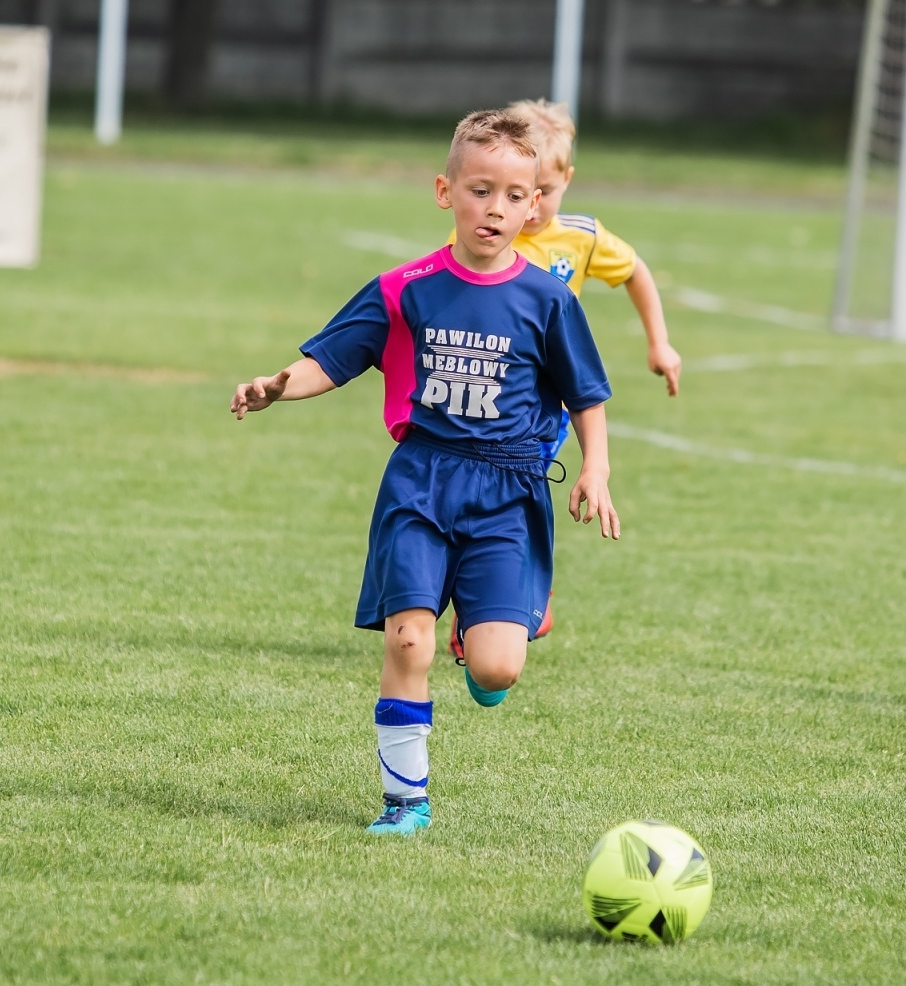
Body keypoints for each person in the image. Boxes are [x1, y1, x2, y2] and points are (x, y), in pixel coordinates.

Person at [230, 109, 621, 834]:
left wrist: (595, 468)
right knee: (407, 638)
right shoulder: (403, 288)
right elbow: (333, 359)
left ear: (535, 205)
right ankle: (405, 801)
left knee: (499, 669)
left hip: (509, 491)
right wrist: (280, 382)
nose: (494, 209)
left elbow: (585, 393)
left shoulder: (549, 299)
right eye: (479, 190)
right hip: (421, 480)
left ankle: (485, 639)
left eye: (512, 195)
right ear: (446, 192)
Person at [445, 98, 681, 650]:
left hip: (543, 399)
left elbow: (636, 271)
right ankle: (487, 594)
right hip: (482, 388)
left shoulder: (579, 236)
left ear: (564, 181)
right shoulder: (488, 232)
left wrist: (659, 341)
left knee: (517, 487)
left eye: (543, 192)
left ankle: (515, 591)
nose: (529, 209)